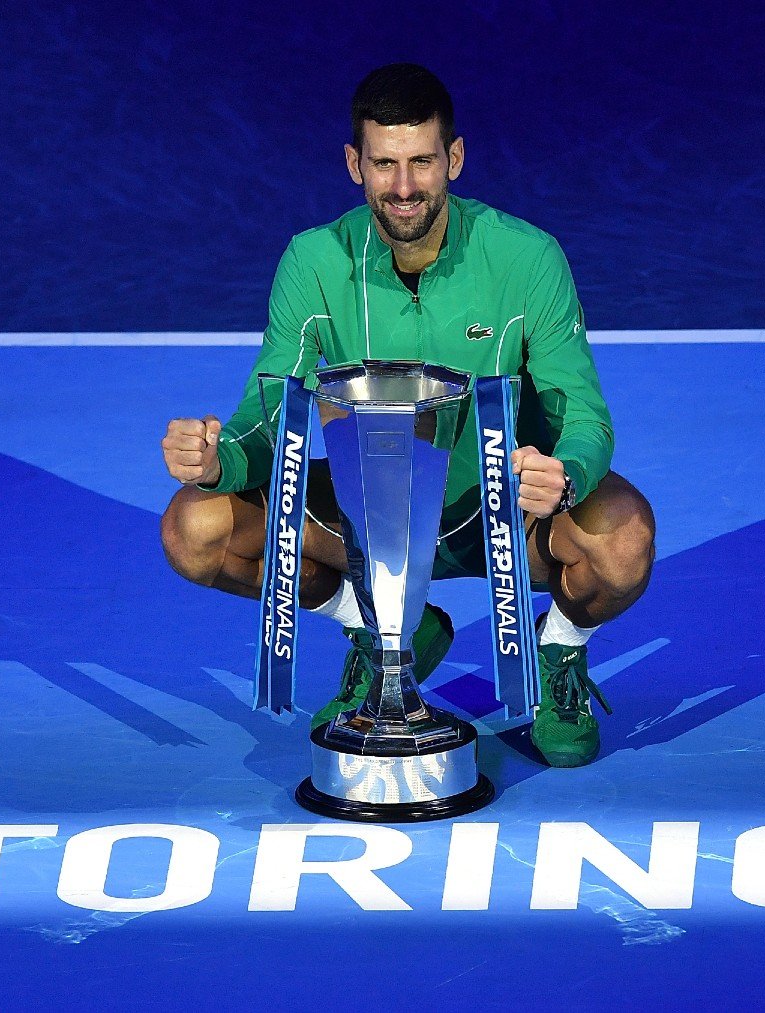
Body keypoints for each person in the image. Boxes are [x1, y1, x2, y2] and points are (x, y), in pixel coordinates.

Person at [160, 63, 654, 767]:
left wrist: (565, 475)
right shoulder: (313, 261)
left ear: (453, 157)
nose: (402, 187)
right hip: (367, 524)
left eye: (421, 161)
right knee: (195, 527)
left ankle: (557, 655)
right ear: (353, 164)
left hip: (504, 515)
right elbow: (272, 409)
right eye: (384, 164)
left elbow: (584, 412)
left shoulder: (528, 257)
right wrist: (220, 459)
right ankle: (381, 631)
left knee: (624, 538)